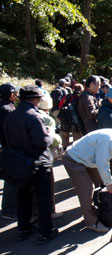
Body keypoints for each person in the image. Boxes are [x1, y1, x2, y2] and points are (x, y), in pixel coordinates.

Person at [4, 85, 58, 244]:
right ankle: (45, 232)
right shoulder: (34, 117)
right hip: (38, 162)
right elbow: (42, 142)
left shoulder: (11, 116)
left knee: (23, 197)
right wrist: (48, 134)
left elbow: (7, 138)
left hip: (19, 162)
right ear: (35, 99)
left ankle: (23, 229)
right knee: (43, 197)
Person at [62, 128, 112, 233]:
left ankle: (99, 209)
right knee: (87, 188)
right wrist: (110, 186)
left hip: (88, 159)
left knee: (100, 182)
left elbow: (103, 163)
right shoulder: (110, 141)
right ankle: (91, 222)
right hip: (73, 159)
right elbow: (102, 164)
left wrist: (108, 183)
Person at [0, 83, 19, 221]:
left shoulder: (3, 107)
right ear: (11, 94)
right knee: (11, 179)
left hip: (5, 147)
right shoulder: (7, 109)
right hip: (9, 148)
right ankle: (9, 209)